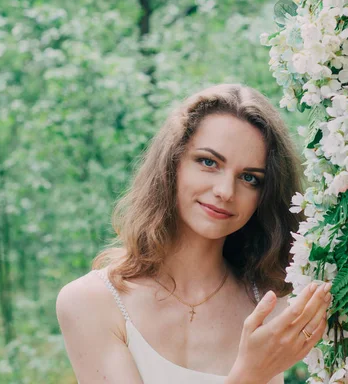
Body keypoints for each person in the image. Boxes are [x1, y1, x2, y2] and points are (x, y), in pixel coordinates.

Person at [56, 84, 332, 383]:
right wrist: (251, 374)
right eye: (208, 162)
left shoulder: (276, 303)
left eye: (250, 178)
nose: (225, 191)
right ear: (172, 162)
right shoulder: (92, 303)